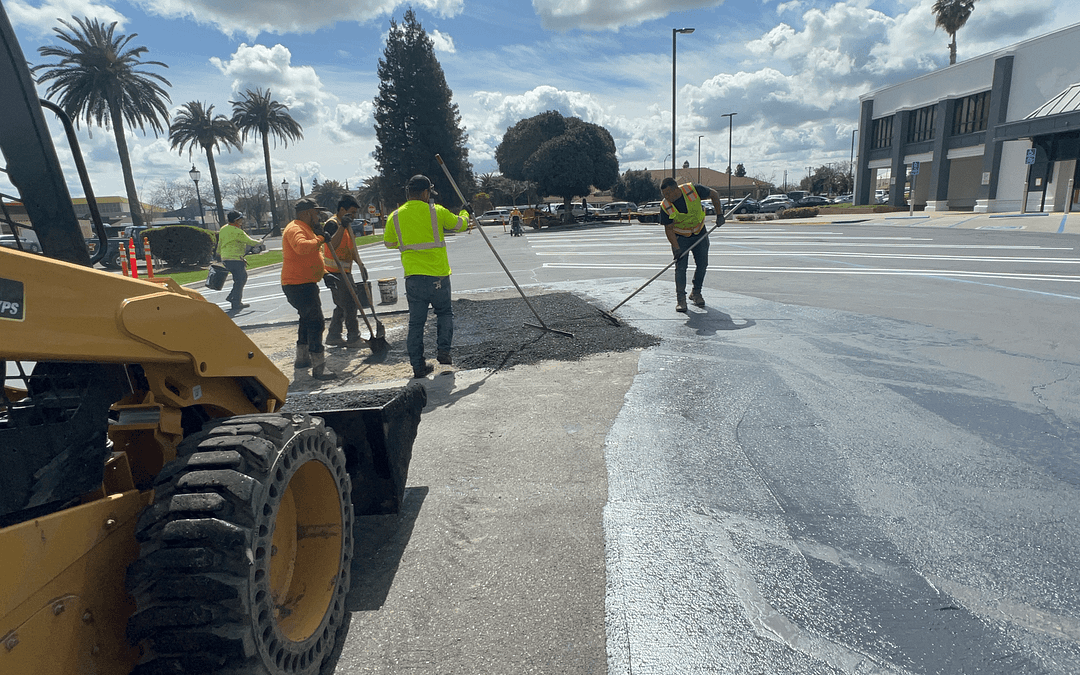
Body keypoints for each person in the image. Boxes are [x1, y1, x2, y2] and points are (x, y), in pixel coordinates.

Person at [384, 174, 472, 379]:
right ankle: (444, 353)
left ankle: (418, 366)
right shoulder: (436, 211)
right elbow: (460, 225)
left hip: (414, 278)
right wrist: (467, 212)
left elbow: (389, 243)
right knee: (444, 313)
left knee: (416, 323)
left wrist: (406, 244)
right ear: (425, 193)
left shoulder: (395, 216)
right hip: (439, 276)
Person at [281, 197, 336, 380]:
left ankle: (302, 359)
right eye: (315, 212)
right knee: (316, 322)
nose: (318, 215)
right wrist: (321, 238)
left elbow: (312, 257)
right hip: (298, 285)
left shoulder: (306, 228)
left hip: (304, 283)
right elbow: (302, 248)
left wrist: (325, 274)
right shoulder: (295, 228)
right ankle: (319, 367)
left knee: (306, 320)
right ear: (305, 213)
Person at [659, 177, 724, 312]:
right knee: (681, 268)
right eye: (664, 195)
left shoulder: (692, 190)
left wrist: (719, 215)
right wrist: (676, 247)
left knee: (702, 264)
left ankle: (696, 292)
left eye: (668, 194)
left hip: (700, 232)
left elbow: (714, 194)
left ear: (675, 189)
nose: (666, 197)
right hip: (680, 238)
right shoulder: (665, 206)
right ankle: (681, 300)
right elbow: (669, 229)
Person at [321, 195, 368, 347]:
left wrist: (360, 264)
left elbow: (351, 248)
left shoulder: (346, 225)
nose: (354, 216)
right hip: (334, 271)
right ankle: (353, 337)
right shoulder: (333, 224)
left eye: (355, 213)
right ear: (342, 210)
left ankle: (333, 335)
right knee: (350, 303)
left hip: (345, 271)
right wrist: (342, 227)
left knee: (343, 304)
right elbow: (331, 245)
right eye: (351, 212)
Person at [216, 210, 263, 312]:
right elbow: (250, 241)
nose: (242, 221)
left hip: (226, 259)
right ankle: (235, 301)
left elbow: (220, 243)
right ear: (236, 220)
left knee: (239, 279)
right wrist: (260, 242)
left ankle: (233, 297)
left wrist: (219, 255)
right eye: (241, 219)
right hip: (235, 259)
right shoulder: (237, 231)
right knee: (241, 279)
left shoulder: (223, 229)